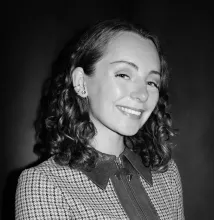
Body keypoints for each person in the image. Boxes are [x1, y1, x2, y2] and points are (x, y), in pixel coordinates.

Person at [15, 19, 184, 219]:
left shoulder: (167, 173)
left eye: (151, 82)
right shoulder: (46, 184)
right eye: (123, 74)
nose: (142, 94)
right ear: (81, 82)